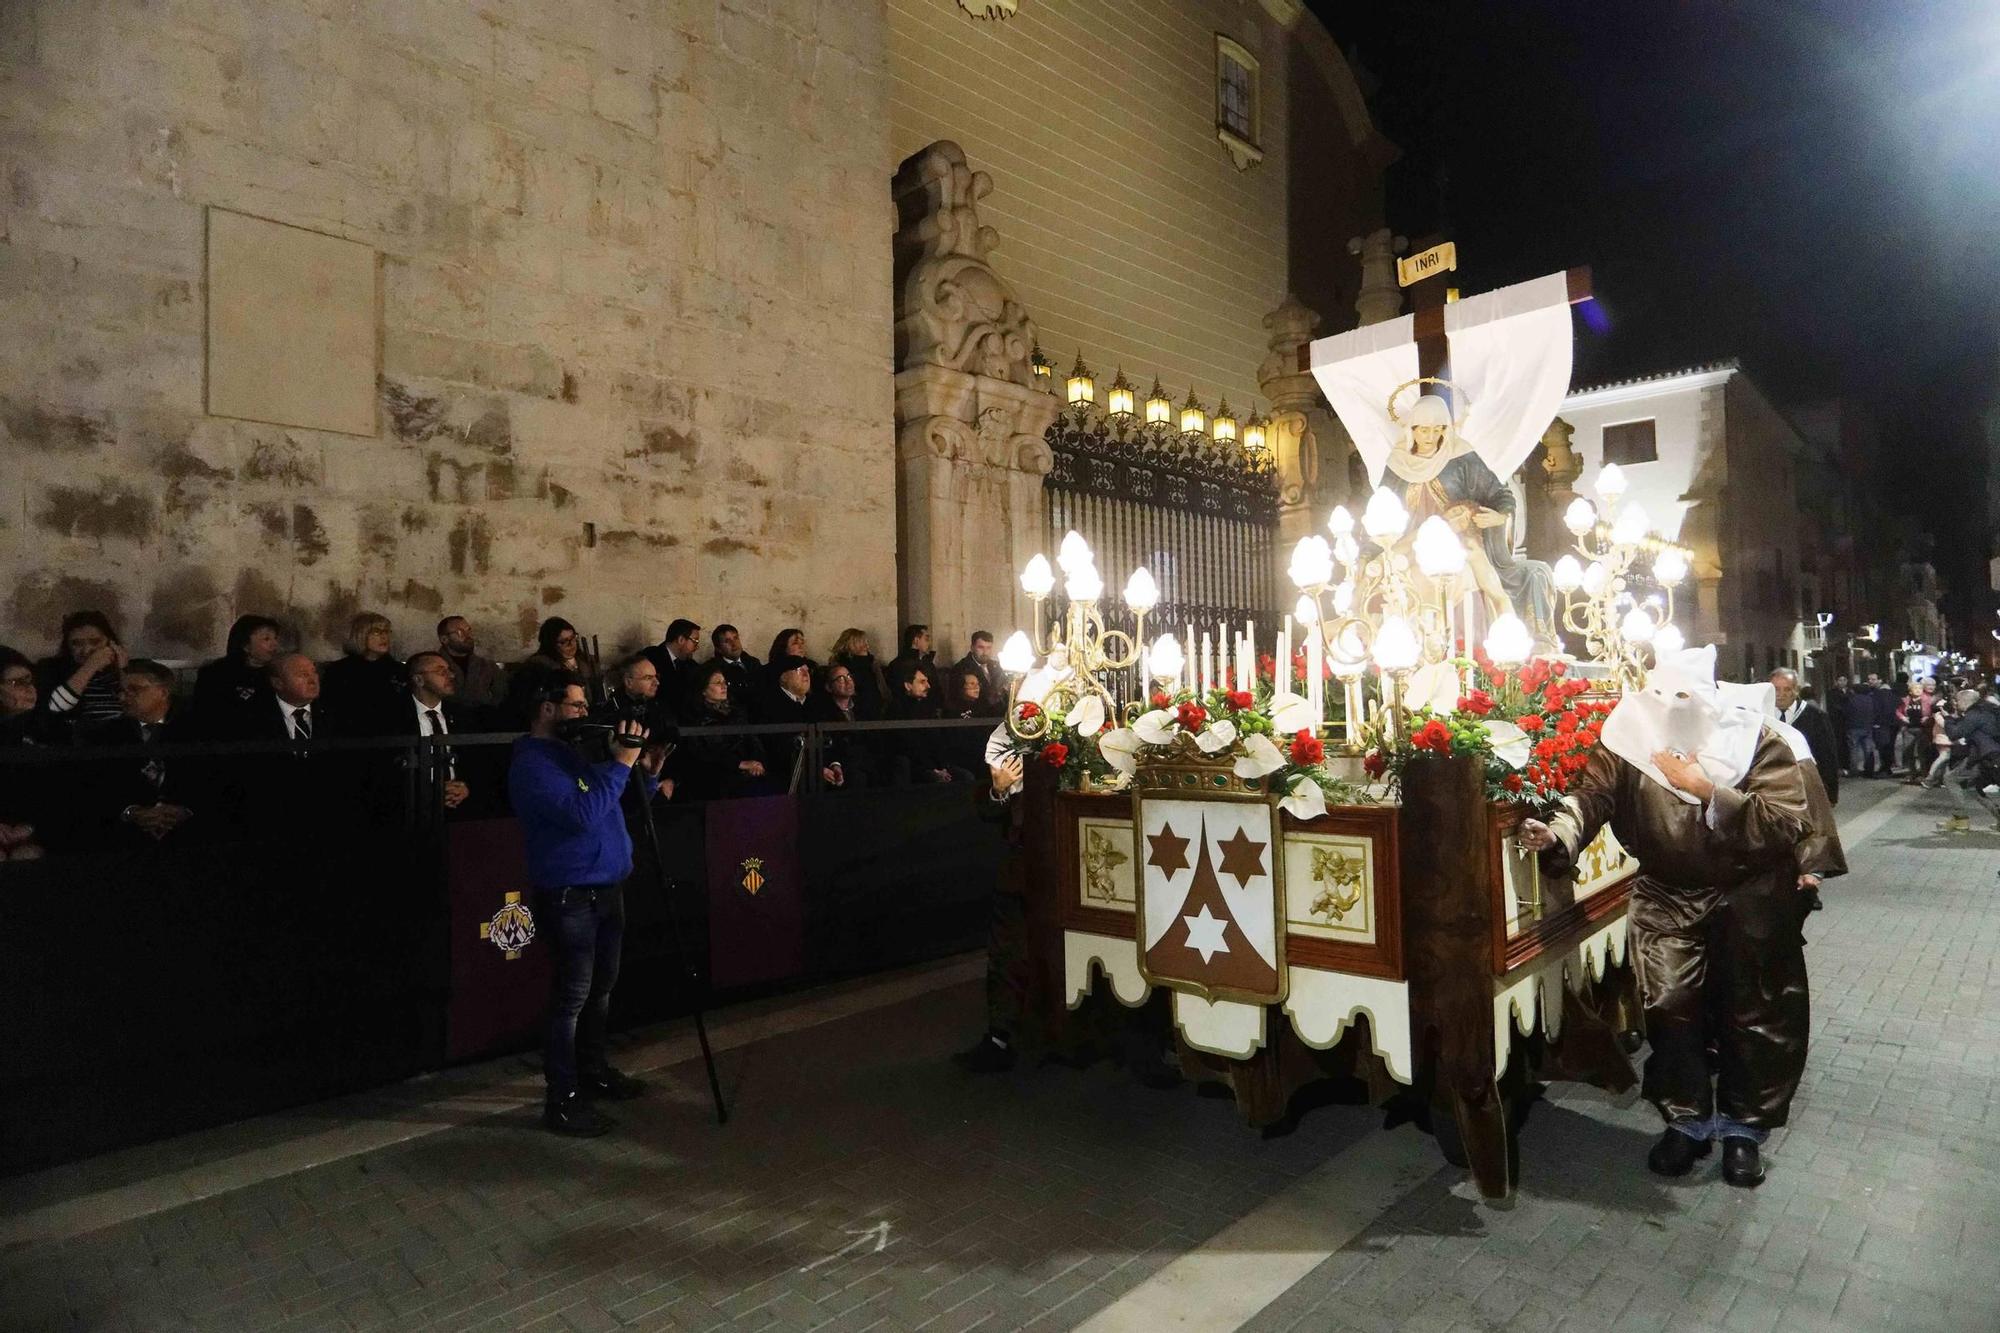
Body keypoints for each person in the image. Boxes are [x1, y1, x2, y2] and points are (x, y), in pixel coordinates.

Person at [1517, 646, 1811, 1188]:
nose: (1672, 708)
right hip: (1666, 897)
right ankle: (1687, 1120)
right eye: (1662, 696)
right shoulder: (1632, 739)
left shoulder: (1755, 739)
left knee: (1752, 1013)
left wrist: (1706, 790)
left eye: (1685, 697)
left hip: (1748, 898)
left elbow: (1785, 820)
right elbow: (1592, 797)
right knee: (1671, 1007)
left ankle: (1743, 1129)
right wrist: (1558, 832)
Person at [507, 668, 665, 1137]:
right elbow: (581, 815)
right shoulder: (533, 764)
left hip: (608, 889)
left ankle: (593, 1072)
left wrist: (645, 777)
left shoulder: (572, 754)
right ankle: (562, 1098)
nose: (583, 714)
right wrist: (619, 763)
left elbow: (612, 803)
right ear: (547, 709)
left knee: (601, 990)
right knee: (572, 999)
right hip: (571, 895)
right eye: (576, 705)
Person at [1382, 394, 1557, 648]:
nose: (1431, 437)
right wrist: (1370, 554)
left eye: (1437, 430)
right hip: (1410, 550)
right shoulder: (1397, 464)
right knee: (1387, 579)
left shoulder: (1461, 457)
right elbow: (1381, 512)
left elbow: (1500, 495)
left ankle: (1469, 649)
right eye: (1424, 430)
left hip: (1456, 546)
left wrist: (1498, 517)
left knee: (1463, 573)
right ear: (1412, 430)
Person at [84, 659, 203, 848]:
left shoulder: (197, 729)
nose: (123, 697)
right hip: (126, 833)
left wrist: (187, 810)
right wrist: (131, 811)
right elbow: (99, 782)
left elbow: (212, 779)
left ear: (163, 692)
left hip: (192, 831)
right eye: (121, 691)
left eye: (134, 689)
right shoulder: (108, 734)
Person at [373, 651, 475, 816]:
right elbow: (384, 769)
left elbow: (474, 760)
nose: (450, 675)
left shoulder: (462, 715)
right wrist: (429, 790)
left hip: (457, 807)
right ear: (418, 679)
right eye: (441, 671)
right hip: (409, 809)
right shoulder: (393, 718)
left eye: (449, 670)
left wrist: (465, 787)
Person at [676, 664, 774, 800]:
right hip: (715, 780)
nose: (724, 686)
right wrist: (739, 764)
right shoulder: (695, 718)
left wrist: (758, 762)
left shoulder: (737, 713)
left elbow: (752, 740)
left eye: (724, 682)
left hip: (747, 774)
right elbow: (703, 753)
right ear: (703, 689)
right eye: (717, 683)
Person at [35, 610, 127, 731]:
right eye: (76, 643)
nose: (86, 650)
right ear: (67, 646)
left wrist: (123, 671)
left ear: (110, 642)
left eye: (95, 642)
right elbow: (56, 707)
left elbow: (140, 709)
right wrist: (91, 666)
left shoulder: (124, 671)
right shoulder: (50, 669)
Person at [0, 647, 52, 861]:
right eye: (17, 683)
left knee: (29, 856)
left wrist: (31, 827)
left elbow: (60, 787)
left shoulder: (50, 727)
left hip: (37, 824)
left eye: (30, 680)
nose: (29, 689)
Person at [193, 614, 283, 736]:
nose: (274, 645)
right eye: (266, 639)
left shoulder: (279, 672)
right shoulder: (216, 674)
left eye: (275, 638)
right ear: (246, 645)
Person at [883, 663, 971, 785]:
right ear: (908, 685)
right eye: (922, 682)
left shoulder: (929, 708)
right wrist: (932, 769)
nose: (928, 686)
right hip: (916, 766)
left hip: (937, 764)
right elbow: (908, 745)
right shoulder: (897, 710)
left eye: (927, 681)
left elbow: (938, 740)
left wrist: (943, 767)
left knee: (966, 777)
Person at [319, 612, 405, 730]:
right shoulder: (339, 671)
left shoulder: (399, 670)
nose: (384, 636)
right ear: (360, 635)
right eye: (376, 631)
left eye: (386, 631)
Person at [1770, 668, 1838, 804]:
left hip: (1805, 789)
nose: (1780, 695)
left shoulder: (1816, 716)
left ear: (1796, 690)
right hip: (1770, 790)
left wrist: (1830, 793)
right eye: (1776, 689)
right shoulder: (1761, 716)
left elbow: (1827, 755)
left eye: (1787, 689)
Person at [1939, 685, 2000, 834]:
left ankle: (1960, 819)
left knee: (1950, 779)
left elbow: (1955, 733)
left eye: (1957, 701)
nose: (1955, 704)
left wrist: (1947, 718)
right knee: (1972, 786)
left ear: (1965, 701)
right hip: (1986, 756)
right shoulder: (1986, 711)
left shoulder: (1974, 714)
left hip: (1987, 756)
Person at [808, 661, 875, 787]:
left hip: (867, 760)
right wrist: (835, 764)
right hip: (844, 763)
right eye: (841, 678)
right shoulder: (822, 712)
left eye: (849, 676)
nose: (848, 681)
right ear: (829, 687)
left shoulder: (864, 708)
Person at [436, 616, 507, 716]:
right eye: (460, 632)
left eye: (468, 630)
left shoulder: (487, 666)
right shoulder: (434, 668)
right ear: (444, 639)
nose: (467, 635)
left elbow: (500, 695)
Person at [642, 618, 703, 705]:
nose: (697, 647)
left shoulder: (690, 665)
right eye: (695, 641)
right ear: (681, 639)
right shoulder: (651, 657)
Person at [830, 628, 887, 721]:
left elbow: (881, 685)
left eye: (865, 641)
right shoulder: (841, 665)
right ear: (850, 644)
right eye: (861, 642)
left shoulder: (872, 663)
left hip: (876, 709)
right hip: (854, 711)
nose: (866, 645)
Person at [707, 624, 762, 713]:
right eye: (727, 641)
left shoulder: (753, 663)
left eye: (736, 638)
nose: (734, 644)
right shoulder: (713, 669)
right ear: (718, 649)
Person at [951, 631, 1004, 710]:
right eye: (981, 647)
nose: (985, 652)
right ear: (972, 648)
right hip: (975, 714)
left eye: (988, 648)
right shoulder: (961, 668)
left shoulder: (998, 666)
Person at [1843, 674, 1879, 778]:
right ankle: (1869, 770)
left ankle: (1854, 771)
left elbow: (1846, 712)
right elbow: (1875, 712)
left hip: (1853, 727)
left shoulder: (1851, 700)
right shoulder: (1870, 699)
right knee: (1868, 749)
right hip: (1867, 727)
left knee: (1854, 750)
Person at [889, 624, 940, 696]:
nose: (929, 644)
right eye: (926, 639)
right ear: (916, 640)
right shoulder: (898, 665)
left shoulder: (928, 664)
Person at [1923, 690, 1958, 788]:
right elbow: (1944, 724)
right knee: (1944, 757)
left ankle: (1943, 780)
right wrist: (1949, 718)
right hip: (1942, 738)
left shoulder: (1953, 712)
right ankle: (1929, 778)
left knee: (1946, 760)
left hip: (1947, 738)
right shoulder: (1939, 713)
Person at [1867, 673, 1898, 778]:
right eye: (1869, 679)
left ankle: (1885, 768)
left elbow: (1882, 709)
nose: (1870, 681)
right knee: (1886, 746)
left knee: (1884, 746)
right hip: (1889, 724)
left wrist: (1878, 723)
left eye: (1873, 679)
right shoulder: (1882, 692)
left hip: (1884, 724)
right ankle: (1885, 768)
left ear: (1880, 681)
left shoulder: (1882, 693)